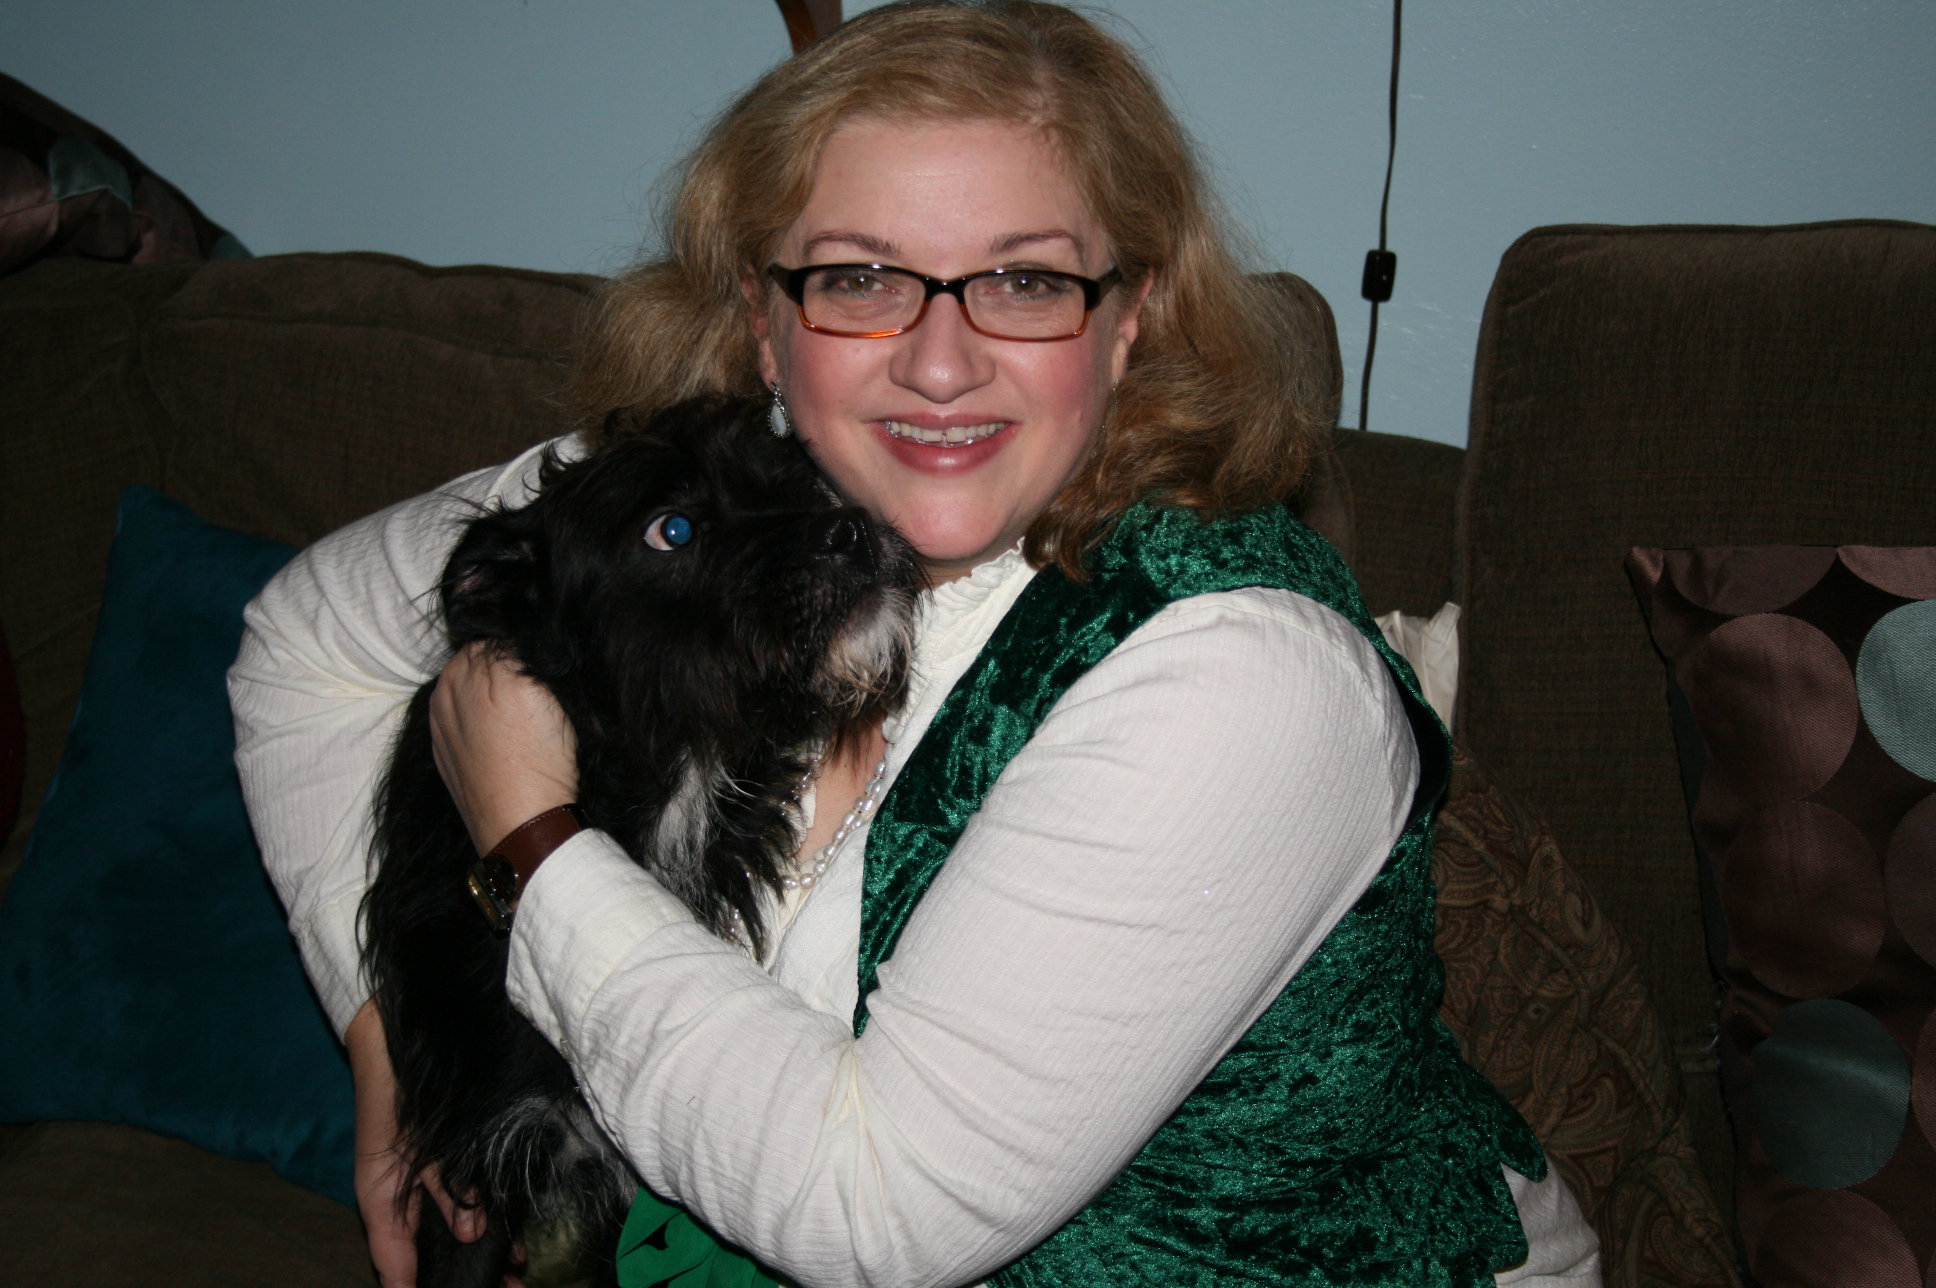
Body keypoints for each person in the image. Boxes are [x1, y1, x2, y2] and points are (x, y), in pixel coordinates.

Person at [231, 4, 1601, 1286]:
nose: (940, 364)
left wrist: (529, 842)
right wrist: (386, 1036)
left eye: (1025, 280)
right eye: (861, 277)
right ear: (764, 322)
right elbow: (305, 640)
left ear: (1130, 318)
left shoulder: (1242, 676)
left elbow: (871, 1210)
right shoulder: (697, 494)